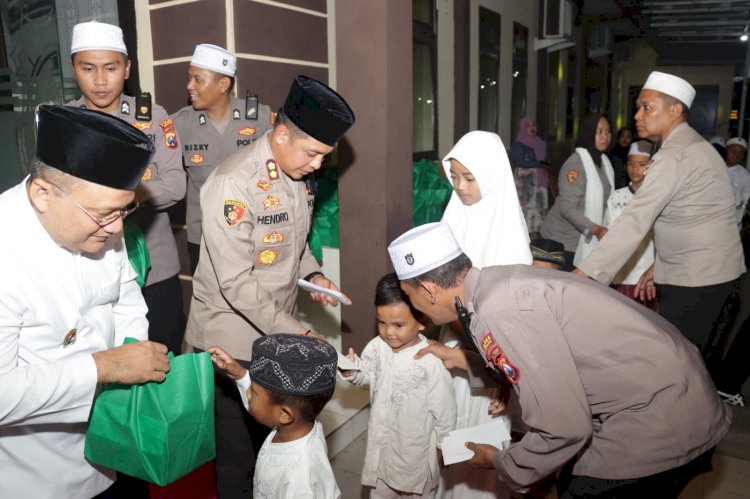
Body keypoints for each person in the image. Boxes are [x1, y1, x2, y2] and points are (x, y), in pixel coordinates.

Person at [388, 222, 731, 498]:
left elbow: (564, 428)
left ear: (429, 289)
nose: (414, 307)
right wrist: (466, 360)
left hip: (659, 419)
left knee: (577, 486)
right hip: (687, 395)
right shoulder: (496, 282)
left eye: (409, 296)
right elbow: (542, 357)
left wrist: (501, 462)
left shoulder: (499, 312)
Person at [185, 74, 354, 498]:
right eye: (313, 153)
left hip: (274, 329)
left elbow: (294, 243)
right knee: (240, 458)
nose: (318, 165)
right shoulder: (233, 184)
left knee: (275, 445)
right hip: (232, 339)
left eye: (324, 156)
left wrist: (313, 274)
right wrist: (299, 333)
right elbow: (236, 283)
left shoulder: (297, 175)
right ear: (281, 134)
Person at [0, 105, 171, 499]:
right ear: (43, 194)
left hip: (111, 443)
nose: (116, 228)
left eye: (123, 210)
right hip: (33, 474)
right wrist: (104, 368)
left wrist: (131, 362)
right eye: (105, 215)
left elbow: (125, 296)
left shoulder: (102, 216)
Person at [575, 71, 745, 357]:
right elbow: (701, 213)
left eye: (647, 107)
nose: (638, 115)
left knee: (675, 363)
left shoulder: (673, 156)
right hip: (716, 272)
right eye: (638, 107)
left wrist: (584, 275)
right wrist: (659, 264)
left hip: (696, 279)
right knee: (690, 363)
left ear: (675, 110)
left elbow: (634, 221)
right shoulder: (696, 146)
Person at [68, 21, 186, 355]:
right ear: (74, 68)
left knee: (164, 355)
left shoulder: (154, 118)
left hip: (154, 268)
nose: (101, 81)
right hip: (89, 266)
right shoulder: (63, 122)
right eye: (88, 68)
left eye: (111, 68)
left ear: (127, 68)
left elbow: (176, 185)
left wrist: (115, 199)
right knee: (105, 360)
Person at [439, 130, 528, 499]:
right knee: (449, 433)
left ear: (491, 175)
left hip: (492, 353)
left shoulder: (511, 238)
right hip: (454, 341)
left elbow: (516, 322)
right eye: (454, 176)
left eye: (469, 178)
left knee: (479, 437)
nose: (460, 187)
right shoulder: (454, 215)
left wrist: (505, 383)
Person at [341, 272, 456, 499]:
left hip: (415, 456)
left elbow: (445, 410)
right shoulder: (377, 346)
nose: (388, 332)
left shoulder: (430, 360)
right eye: (382, 322)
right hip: (383, 450)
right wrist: (355, 372)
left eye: (398, 325)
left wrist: (445, 446)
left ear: (422, 322)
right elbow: (370, 377)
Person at [171, 44, 274, 272]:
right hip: (204, 238)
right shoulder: (179, 125)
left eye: (198, 79)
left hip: (253, 233)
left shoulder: (259, 118)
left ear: (223, 84)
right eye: (189, 78)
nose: (190, 86)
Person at [208, 335, 340, 498]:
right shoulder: (299, 425)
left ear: (285, 414)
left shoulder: (300, 481)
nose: (248, 393)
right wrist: (241, 375)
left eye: (253, 392)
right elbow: (267, 403)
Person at [540, 114, 614, 270]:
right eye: (599, 132)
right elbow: (568, 209)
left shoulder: (604, 163)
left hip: (582, 240)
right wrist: (596, 229)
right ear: (588, 133)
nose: (605, 136)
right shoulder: (575, 165)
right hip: (561, 240)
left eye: (607, 131)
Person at [604, 139, 655, 308]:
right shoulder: (616, 198)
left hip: (646, 274)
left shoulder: (657, 197)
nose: (635, 169)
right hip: (621, 275)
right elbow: (609, 237)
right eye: (631, 164)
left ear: (651, 166)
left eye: (642, 164)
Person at [511, 117, 549, 236]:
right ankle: (524, 235)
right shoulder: (518, 144)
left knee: (538, 206)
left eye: (534, 125)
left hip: (539, 180)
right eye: (528, 126)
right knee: (527, 207)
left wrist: (543, 165)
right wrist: (540, 164)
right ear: (523, 128)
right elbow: (520, 161)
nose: (532, 128)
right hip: (526, 181)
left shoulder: (539, 142)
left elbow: (544, 159)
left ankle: (536, 233)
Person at [725, 137, 750, 227]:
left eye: (740, 152)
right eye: (733, 150)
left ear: (743, 156)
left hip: (729, 223)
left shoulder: (745, 176)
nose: (736, 154)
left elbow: (744, 204)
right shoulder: (713, 165)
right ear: (726, 151)